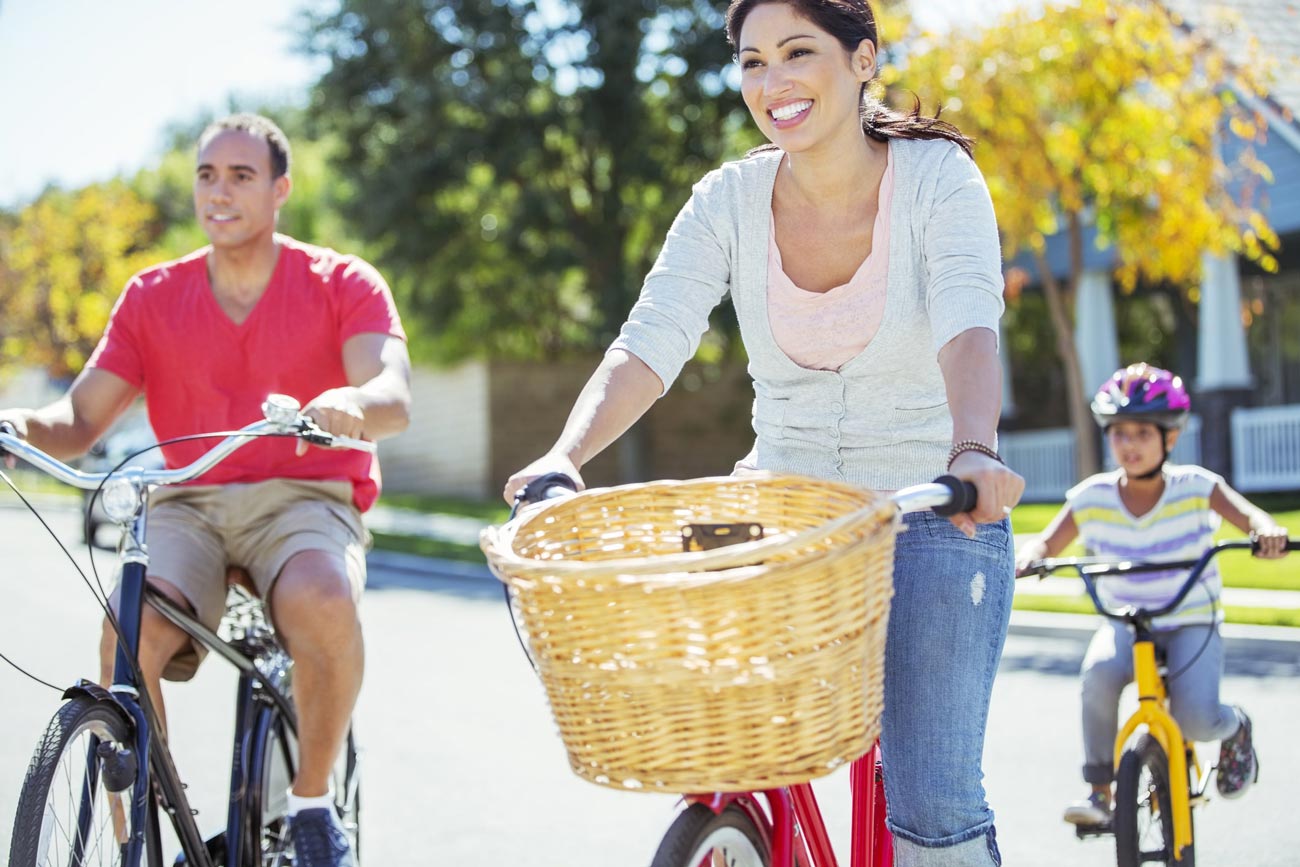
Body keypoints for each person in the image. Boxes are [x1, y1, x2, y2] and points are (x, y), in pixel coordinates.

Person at [505, 2, 1024, 864]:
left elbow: (970, 321)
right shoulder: (728, 200)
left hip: (935, 503)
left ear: (863, 60)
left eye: (796, 53)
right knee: (713, 718)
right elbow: (650, 339)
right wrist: (565, 454)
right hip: (780, 504)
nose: (772, 82)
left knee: (931, 799)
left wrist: (975, 446)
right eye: (752, 62)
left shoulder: (937, 178)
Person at [0, 113, 410, 867]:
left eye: (242, 175)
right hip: (189, 497)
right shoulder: (154, 295)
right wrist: (18, 427)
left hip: (305, 494)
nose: (219, 191)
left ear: (281, 188)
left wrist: (356, 403)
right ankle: (160, 820)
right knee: (126, 632)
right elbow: (80, 416)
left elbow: (392, 387)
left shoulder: (341, 281)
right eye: (206, 175)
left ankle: (314, 804)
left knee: (323, 595)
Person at [1014, 363, 1289, 828]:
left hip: (1190, 621)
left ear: (1170, 438)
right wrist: (1032, 556)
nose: (1130, 444)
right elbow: (1046, 542)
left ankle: (1235, 727)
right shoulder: (1091, 497)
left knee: (1197, 718)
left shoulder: (1197, 487)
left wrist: (1266, 532)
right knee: (1098, 676)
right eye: (1119, 433)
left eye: (1143, 433)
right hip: (1126, 622)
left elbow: (1251, 518)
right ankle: (1100, 793)